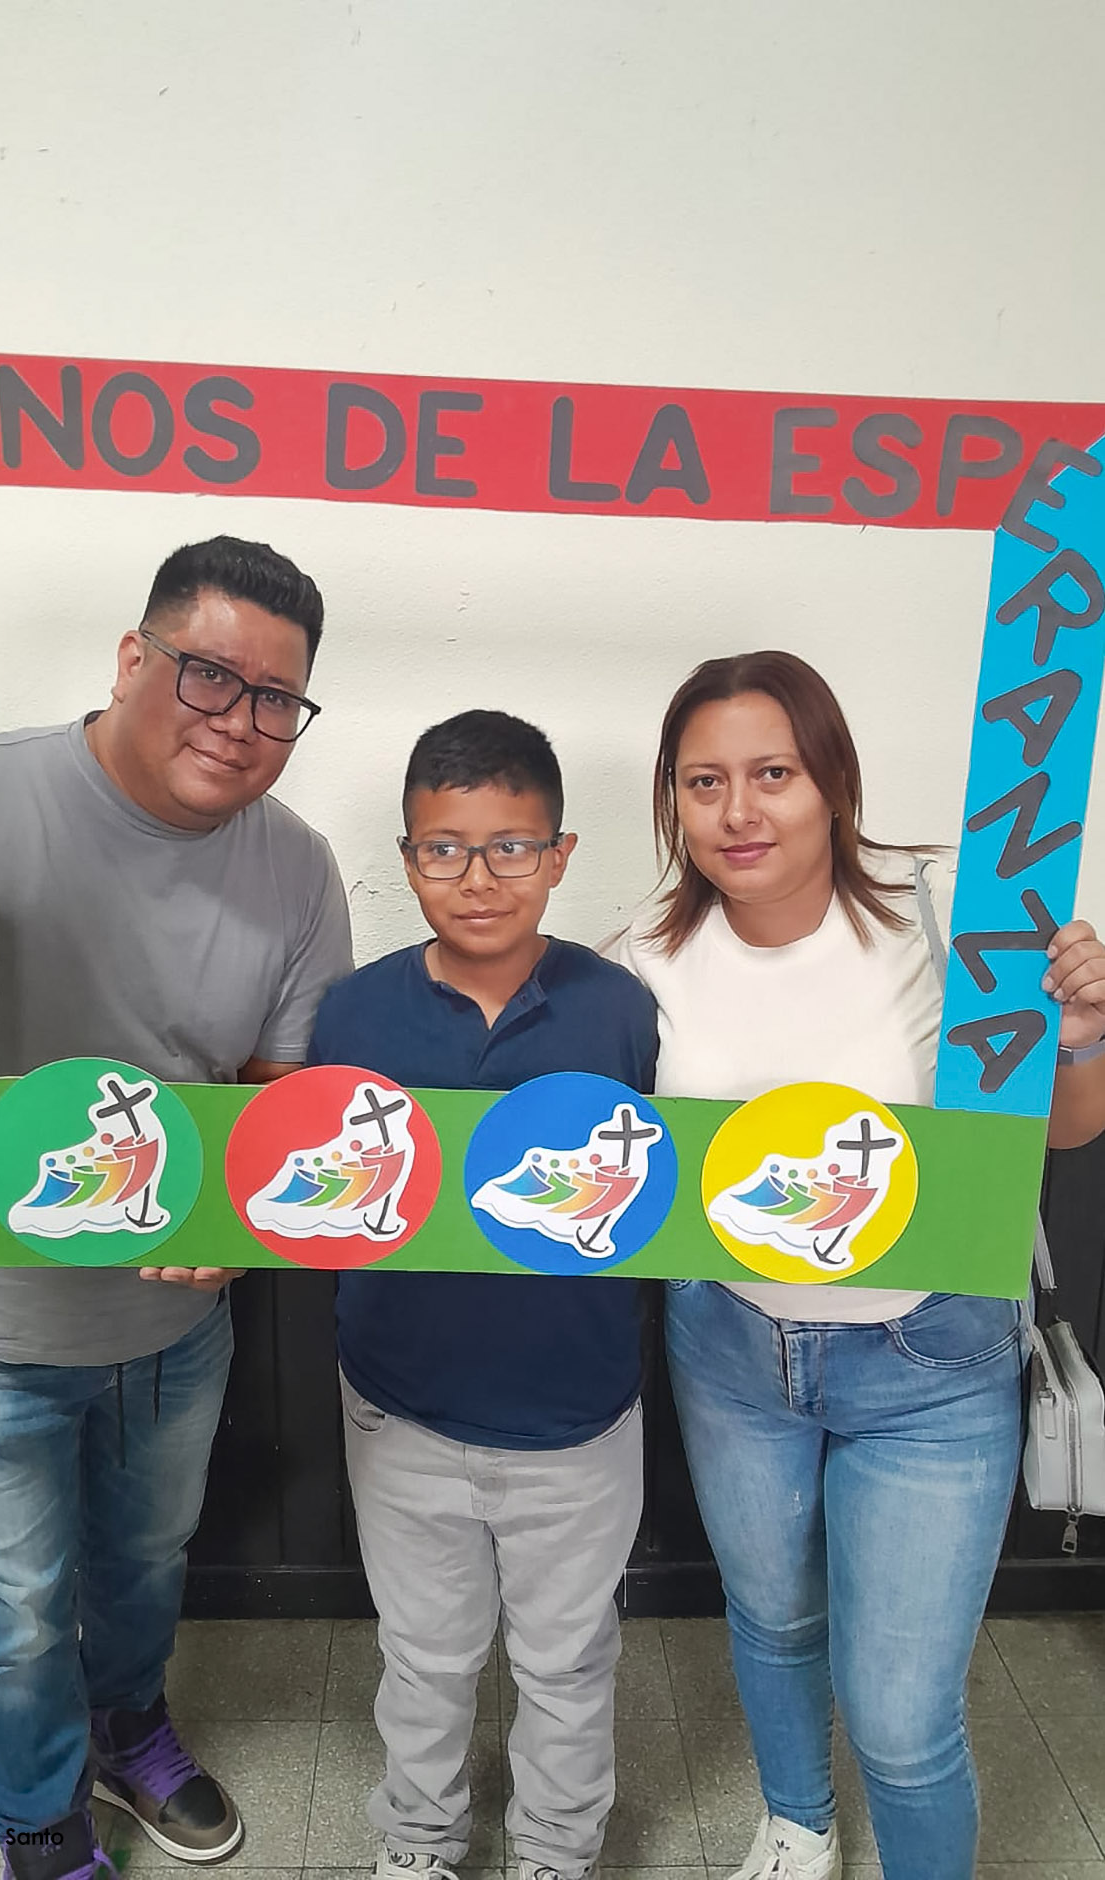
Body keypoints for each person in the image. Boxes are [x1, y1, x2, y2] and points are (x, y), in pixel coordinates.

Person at [0, 536, 353, 1880]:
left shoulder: (298, 869)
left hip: (168, 1323)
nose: (239, 722)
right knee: (15, 1614)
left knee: (145, 1562)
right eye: (208, 675)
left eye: (277, 699)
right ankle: (39, 1826)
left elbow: (281, 1097)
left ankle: (130, 1727)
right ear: (133, 657)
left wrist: (243, 1210)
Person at [609, 651, 1105, 1880]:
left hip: (928, 1359)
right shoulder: (641, 955)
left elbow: (1063, 1133)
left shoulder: (951, 918)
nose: (738, 810)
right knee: (773, 1616)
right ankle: (797, 1823)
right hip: (729, 1344)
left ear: (832, 780)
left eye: (772, 773)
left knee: (900, 1716)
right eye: (703, 781)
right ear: (672, 800)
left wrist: (1080, 1036)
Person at [305, 710, 658, 1880]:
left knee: (567, 1659)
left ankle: (556, 1845)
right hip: (401, 1404)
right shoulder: (350, 1013)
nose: (476, 877)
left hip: (577, 1413)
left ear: (558, 854)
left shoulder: (623, 1009)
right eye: (443, 848)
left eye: (510, 846)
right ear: (407, 857)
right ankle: (418, 1837)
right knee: (423, 1654)